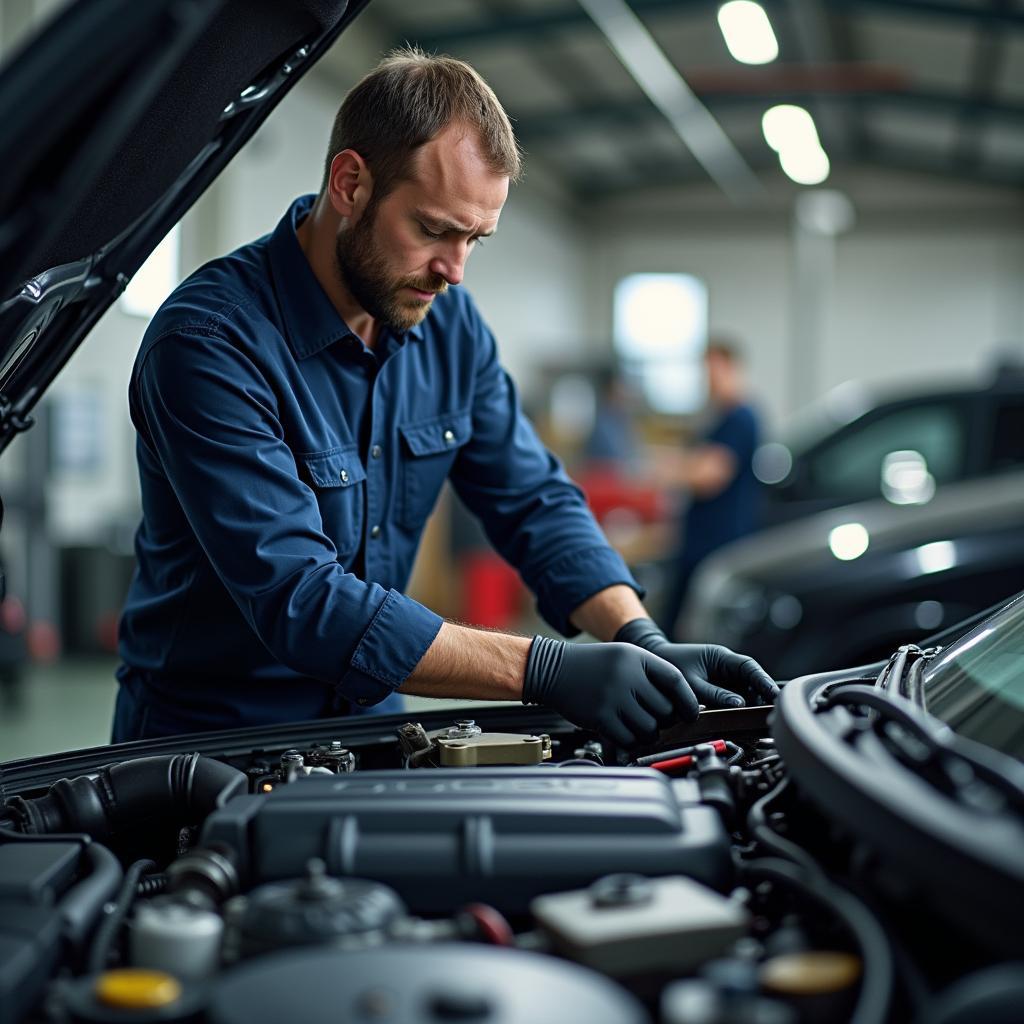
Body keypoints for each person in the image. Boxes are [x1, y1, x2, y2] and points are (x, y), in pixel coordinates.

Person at [113, 49, 776, 746]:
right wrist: (546, 668)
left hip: (368, 729)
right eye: (432, 230)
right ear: (350, 183)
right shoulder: (211, 343)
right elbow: (302, 599)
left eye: (474, 239)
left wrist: (638, 634)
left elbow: (533, 497)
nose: (452, 272)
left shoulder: (447, 325)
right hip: (206, 745)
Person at [656, 339, 762, 636]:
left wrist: (676, 470)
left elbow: (710, 476)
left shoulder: (740, 418)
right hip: (700, 537)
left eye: (713, 371)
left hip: (719, 539)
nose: (708, 380)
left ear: (730, 368)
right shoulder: (719, 418)